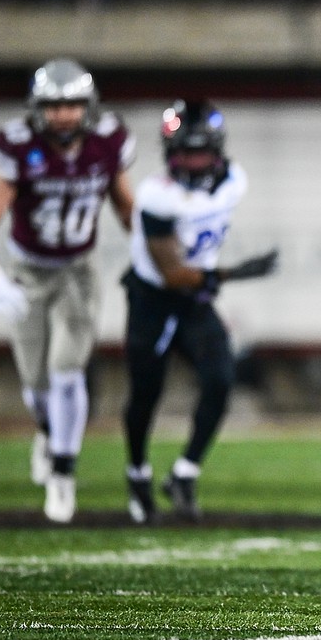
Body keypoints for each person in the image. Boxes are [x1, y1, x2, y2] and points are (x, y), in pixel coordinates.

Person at [0, 57, 135, 524]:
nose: (63, 114)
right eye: (54, 105)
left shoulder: (107, 141)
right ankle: (47, 432)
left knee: (67, 371)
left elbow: (127, 208)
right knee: (35, 384)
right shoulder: (17, 146)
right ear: (37, 108)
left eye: (72, 104)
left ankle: (63, 474)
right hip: (29, 268)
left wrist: (146, 252)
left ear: (88, 106)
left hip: (78, 270)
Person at [122, 99, 278, 524]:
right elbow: (172, 273)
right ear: (169, 153)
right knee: (146, 394)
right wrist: (231, 273)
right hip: (153, 299)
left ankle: (184, 473)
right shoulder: (157, 196)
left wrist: (213, 278)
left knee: (221, 378)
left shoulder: (233, 181)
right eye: (185, 152)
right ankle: (137, 472)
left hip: (195, 299)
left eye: (201, 152)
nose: (193, 162)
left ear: (218, 151)